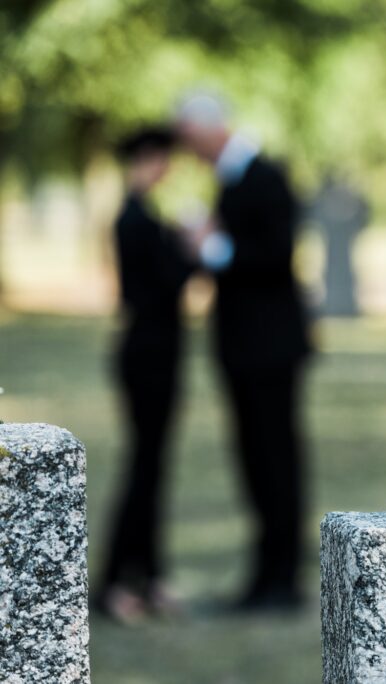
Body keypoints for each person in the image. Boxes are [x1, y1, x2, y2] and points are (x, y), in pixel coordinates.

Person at [175, 94, 311, 611]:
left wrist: (211, 247)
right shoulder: (234, 178)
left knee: (275, 459)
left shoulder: (263, 175)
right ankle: (265, 574)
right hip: (245, 347)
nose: (189, 151)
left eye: (190, 139)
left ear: (212, 130)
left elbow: (275, 255)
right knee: (254, 459)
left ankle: (282, 578)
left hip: (269, 348)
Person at [99, 127, 193, 623]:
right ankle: (115, 582)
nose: (165, 169)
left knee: (155, 466)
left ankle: (150, 575)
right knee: (142, 466)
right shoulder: (134, 219)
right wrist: (191, 250)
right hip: (147, 353)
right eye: (160, 159)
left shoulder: (147, 215)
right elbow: (160, 286)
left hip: (162, 351)